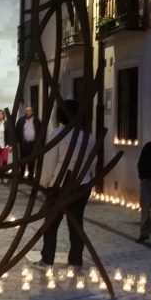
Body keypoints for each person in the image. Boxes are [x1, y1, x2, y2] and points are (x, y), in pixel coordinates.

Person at [39, 99, 96, 267]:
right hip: (82, 184)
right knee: (76, 224)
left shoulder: (58, 134)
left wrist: (43, 184)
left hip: (60, 184)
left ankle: (47, 258)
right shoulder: (89, 137)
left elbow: (50, 163)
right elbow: (92, 162)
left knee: (50, 223)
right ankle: (76, 259)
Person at [15, 104, 42, 179]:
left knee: (32, 160)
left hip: (33, 144)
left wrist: (39, 143)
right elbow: (16, 131)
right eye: (26, 111)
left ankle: (30, 176)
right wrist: (17, 142)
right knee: (23, 160)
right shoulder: (21, 120)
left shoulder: (36, 121)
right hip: (23, 144)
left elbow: (40, 131)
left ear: (32, 112)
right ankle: (22, 175)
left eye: (29, 111)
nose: (27, 112)